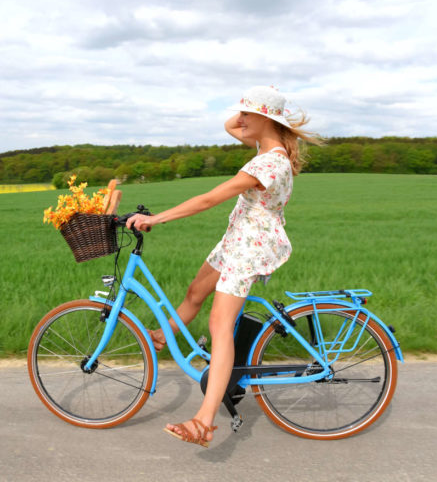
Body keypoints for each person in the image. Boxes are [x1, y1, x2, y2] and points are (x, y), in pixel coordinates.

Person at [126, 85, 323, 448]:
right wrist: (253, 113)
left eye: (249, 113)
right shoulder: (266, 147)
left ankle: (203, 421)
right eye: (243, 112)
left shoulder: (270, 161)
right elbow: (231, 125)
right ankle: (161, 337)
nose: (240, 120)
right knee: (195, 292)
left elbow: (210, 198)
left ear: (266, 119)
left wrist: (158, 219)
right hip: (237, 237)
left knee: (220, 325)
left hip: (251, 245)